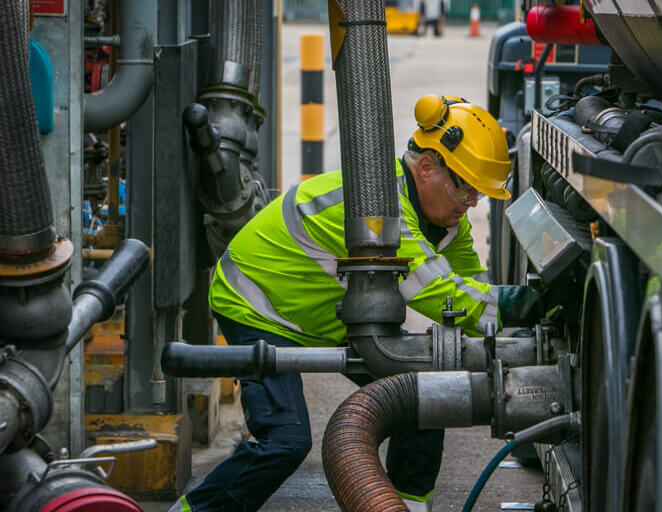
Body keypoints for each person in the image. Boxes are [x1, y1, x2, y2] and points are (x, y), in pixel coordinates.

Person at [170, 95, 541, 512]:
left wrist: (511, 329)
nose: (472, 202)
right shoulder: (380, 208)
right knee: (285, 441)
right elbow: (437, 293)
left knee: (425, 396)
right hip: (256, 305)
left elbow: (471, 286)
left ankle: (404, 507)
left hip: (325, 315)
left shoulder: (442, 219)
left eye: (478, 192)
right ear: (425, 168)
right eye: (465, 187)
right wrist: (525, 304)